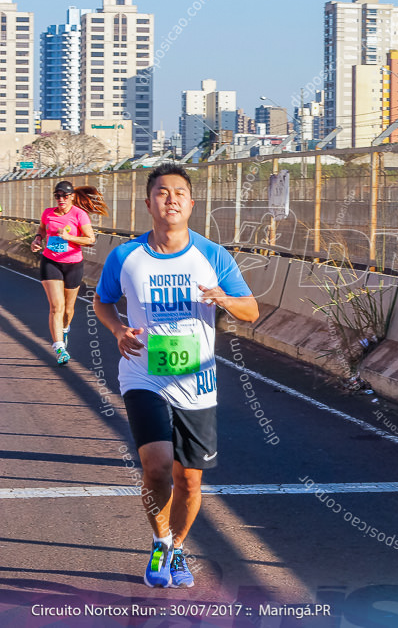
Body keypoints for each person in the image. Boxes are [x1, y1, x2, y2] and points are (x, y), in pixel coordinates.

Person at [94, 163, 258, 588]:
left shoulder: (213, 256)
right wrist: (117, 330)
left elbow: (251, 310)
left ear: (191, 203)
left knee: (188, 480)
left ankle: (178, 547)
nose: (171, 199)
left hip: (196, 379)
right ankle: (159, 540)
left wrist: (224, 298)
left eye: (179, 193)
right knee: (156, 465)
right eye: (162, 193)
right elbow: (102, 301)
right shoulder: (125, 256)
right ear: (148, 203)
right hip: (143, 373)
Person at [30, 181, 107, 365]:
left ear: (72, 196)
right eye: (58, 196)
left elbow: (91, 240)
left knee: (68, 309)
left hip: (73, 264)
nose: (61, 199)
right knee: (56, 306)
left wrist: (69, 237)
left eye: (65, 196)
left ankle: (64, 330)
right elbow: (42, 228)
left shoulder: (79, 215)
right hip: (51, 262)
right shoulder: (48, 213)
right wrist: (37, 238)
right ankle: (59, 348)